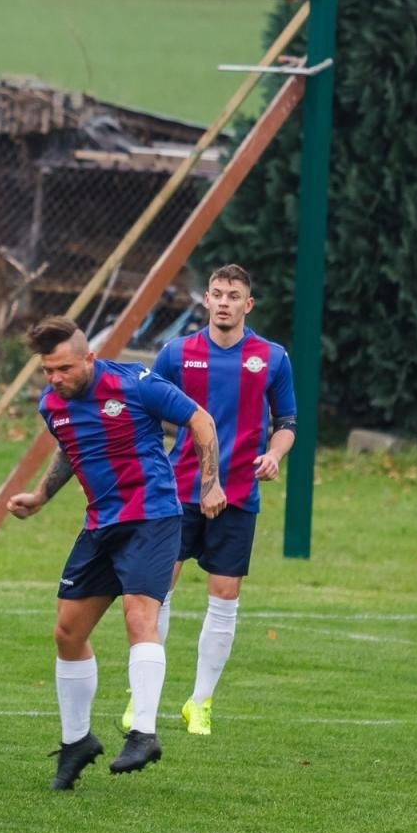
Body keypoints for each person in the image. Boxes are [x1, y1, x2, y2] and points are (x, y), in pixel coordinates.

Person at [7, 317, 223, 790]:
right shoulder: (52, 405)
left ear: (89, 359)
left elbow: (201, 420)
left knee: (139, 616)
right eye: (47, 370)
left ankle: (143, 733)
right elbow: (70, 449)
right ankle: (77, 741)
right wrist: (40, 497)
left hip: (152, 517)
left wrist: (210, 485)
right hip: (101, 524)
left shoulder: (136, 384)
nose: (55, 378)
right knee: (67, 632)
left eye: (63, 369)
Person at [127, 263, 296, 736]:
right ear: (206, 299)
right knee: (158, 589)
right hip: (178, 492)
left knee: (224, 596)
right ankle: (142, 696)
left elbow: (287, 422)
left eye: (233, 295)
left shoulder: (272, 357)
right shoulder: (177, 353)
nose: (224, 302)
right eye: (217, 293)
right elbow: (143, 411)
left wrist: (274, 455)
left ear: (248, 304)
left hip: (239, 493)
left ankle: (200, 703)